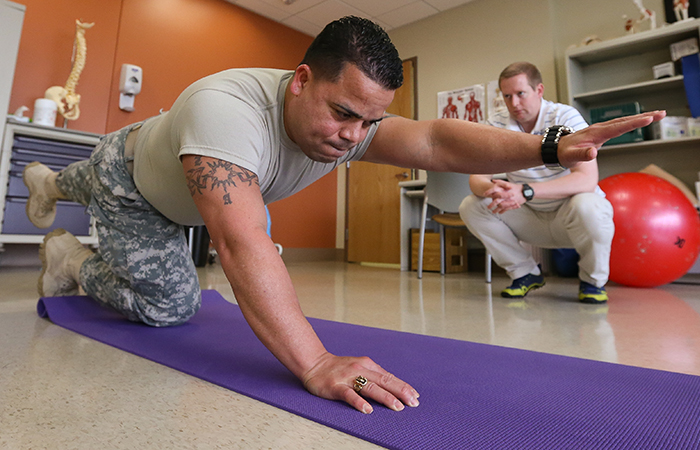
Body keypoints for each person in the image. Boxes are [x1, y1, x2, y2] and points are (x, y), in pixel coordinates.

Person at [23, 18, 663, 414]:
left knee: (101, 195)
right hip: (135, 181)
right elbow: (241, 241)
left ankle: (55, 197)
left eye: (369, 121)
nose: (353, 135)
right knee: (171, 304)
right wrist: (314, 361)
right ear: (300, 80)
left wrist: (549, 146)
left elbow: (437, 142)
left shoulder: (352, 125)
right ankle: (71, 254)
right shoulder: (227, 109)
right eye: (343, 113)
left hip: (158, 170)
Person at [458, 62, 614, 304]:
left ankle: (592, 282)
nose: (514, 104)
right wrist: (494, 189)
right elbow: (477, 177)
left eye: (521, 94)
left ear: (539, 90)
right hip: (529, 217)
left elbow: (587, 179)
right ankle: (526, 273)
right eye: (507, 96)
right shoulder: (496, 123)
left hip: (570, 215)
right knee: (471, 205)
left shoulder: (564, 116)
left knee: (589, 204)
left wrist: (527, 191)